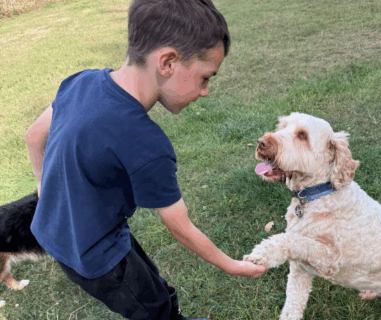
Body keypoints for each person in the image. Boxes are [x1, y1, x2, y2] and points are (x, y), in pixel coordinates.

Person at [24, 0, 267, 319]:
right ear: (167, 62)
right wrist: (233, 266)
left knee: (151, 285)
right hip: (99, 258)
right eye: (205, 78)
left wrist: (43, 183)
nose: (205, 91)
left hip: (57, 232)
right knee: (152, 309)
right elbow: (182, 228)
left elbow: (33, 136)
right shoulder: (147, 144)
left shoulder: (81, 81)